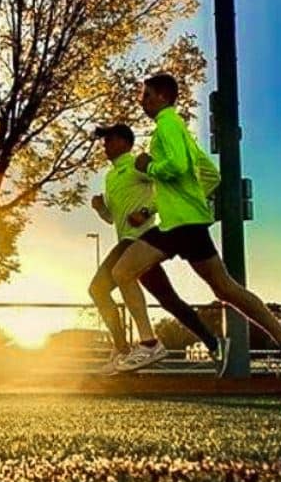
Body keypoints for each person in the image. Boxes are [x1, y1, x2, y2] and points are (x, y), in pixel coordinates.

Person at [112, 73, 281, 383]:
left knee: (123, 272)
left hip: (180, 226)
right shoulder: (180, 130)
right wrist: (189, 200)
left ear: (163, 97)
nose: (141, 101)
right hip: (186, 222)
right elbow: (210, 174)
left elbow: (175, 167)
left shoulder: (167, 125)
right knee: (225, 289)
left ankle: (149, 344)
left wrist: (147, 166)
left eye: (146, 95)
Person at [89, 122, 229, 375]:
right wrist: (101, 208)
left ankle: (126, 351)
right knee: (168, 300)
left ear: (123, 142)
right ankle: (213, 343)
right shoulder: (111, 177)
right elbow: (113, 219)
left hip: (142, 240)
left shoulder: (136, 164)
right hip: (130, 245)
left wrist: (147, 211)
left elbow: (169, 186)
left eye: (108, 140)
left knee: (98, 289)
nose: (104, 146)